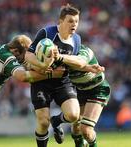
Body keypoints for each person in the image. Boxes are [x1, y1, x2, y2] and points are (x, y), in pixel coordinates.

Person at [24, 4, 99, 147]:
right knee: (43, 122)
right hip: (41, 82)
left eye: (76, 21)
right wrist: (42, 66)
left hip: (62, 81)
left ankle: (57, 120)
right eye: (70, 21)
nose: (74, 24)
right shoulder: (47, 33)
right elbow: (28, 55)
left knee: (73, 115)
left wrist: (89, 67)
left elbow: (72, 63)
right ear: (61, 21)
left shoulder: (77, 40)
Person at [0, 34, 63, 126]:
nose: (27, 58)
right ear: (16, 51)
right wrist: (52, 74)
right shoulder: (5, 56)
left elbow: (29, 66)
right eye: (26, 54)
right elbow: (23, 76)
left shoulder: (3, 50)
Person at [55, 44, 110, 147]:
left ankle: (58, 119)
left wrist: (61, 58)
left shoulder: (84, 51)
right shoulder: (60, 58)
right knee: (76, 129)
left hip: (97, 89)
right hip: (79, 91)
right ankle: (57, 120)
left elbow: (80, 62)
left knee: (86, 130)